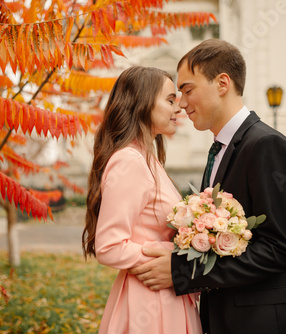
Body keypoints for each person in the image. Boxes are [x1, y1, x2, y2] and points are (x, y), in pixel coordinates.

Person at [129, 39, 286, 334]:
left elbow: (280, 249)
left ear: (222, 83)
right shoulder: (222, 148)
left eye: (187, 90)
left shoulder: (265, 145)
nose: (182, 104)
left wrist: (183, 271)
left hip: (267, 323)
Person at [82, 66, 202, 334]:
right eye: (170, 100)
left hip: (165, 291)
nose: (179, 107)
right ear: (143, 103)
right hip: (150, 300)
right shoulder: (130, 160)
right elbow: (109, 246)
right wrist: (172, 257)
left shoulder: (149, 159)